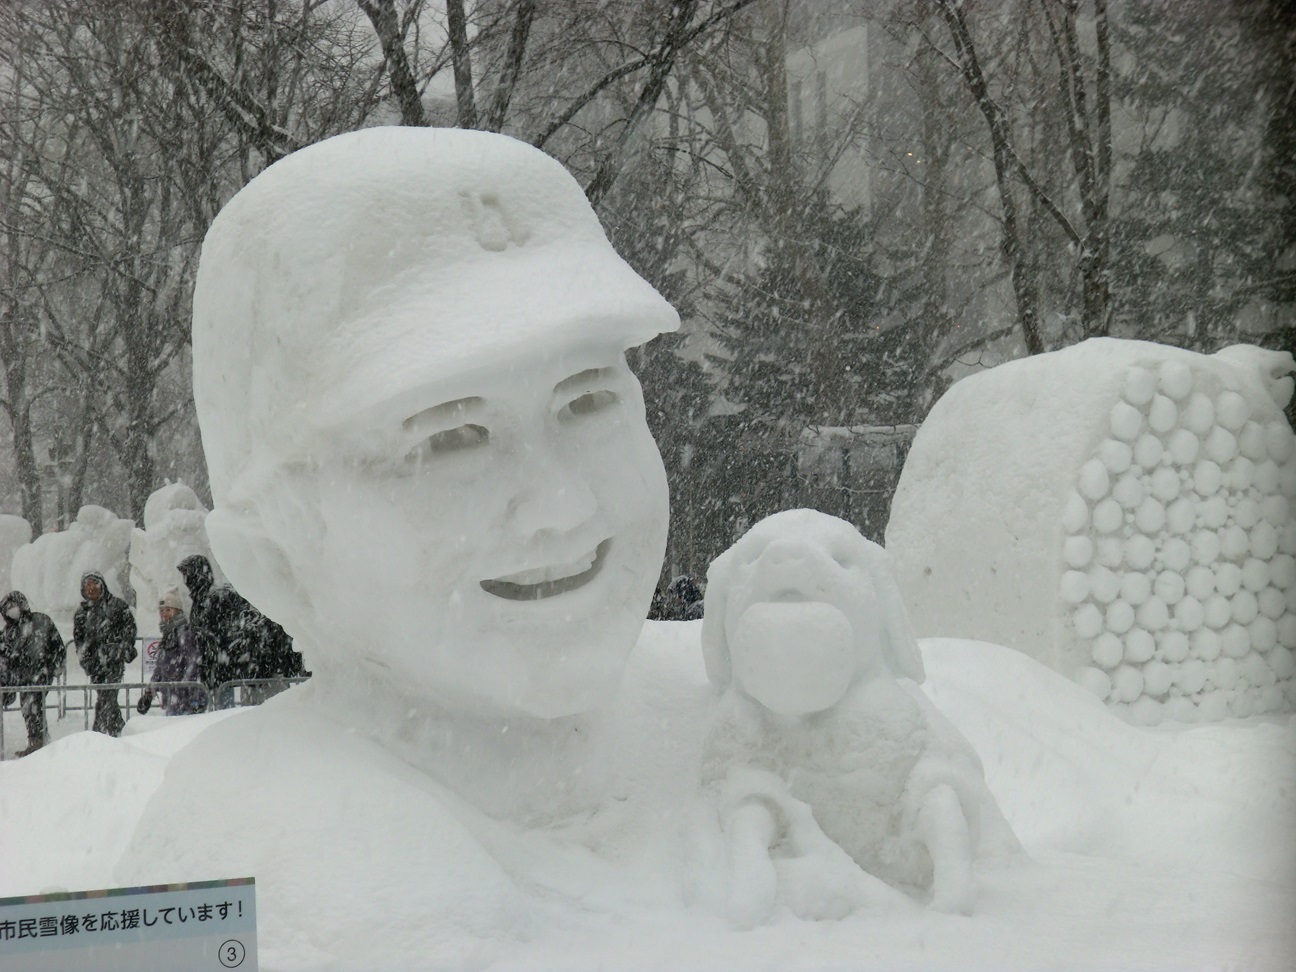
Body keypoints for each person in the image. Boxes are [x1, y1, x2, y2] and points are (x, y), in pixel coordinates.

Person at [176, 553, 303, 708]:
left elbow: (223, 635)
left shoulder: (217, 600)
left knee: (255, 710)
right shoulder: (204, 602)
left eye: (188, 576)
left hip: (240, 668)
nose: (186, 581)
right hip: (224, 669)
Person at [0, 590, 65, 756]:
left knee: (32, 706)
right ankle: (38, 741)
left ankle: (38, 743)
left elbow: (57, 644)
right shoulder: (7, 633)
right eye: (7, 608)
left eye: (14, 606)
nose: (11, 610)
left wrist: (55, 665)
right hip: (21, 678)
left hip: (39, 674)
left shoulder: (41, 621)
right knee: (29, 708)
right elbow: (4, 660)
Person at [73, 571, 137, 736]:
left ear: (102, 584)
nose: (91, 587)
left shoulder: (117, 605)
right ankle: (119, 732)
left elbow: (129, 630)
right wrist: (85, 660)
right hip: (94, 665)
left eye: (94, 582)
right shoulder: (82, 612)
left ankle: (99, 733)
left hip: (114, 662)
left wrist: (121, 649)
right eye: (87, 584)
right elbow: (79, 640)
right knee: (105, 698)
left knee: (106, 698)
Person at [138, 587, 205, 716]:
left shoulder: (185, 634)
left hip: (187, 703)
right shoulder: (168, 636)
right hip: (171, 700)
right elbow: (159, 669)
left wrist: (193, 698)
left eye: (168, 610)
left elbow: (193, 666)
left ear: (178, 611)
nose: (164, 614)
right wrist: (149, 694)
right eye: (161, 611)